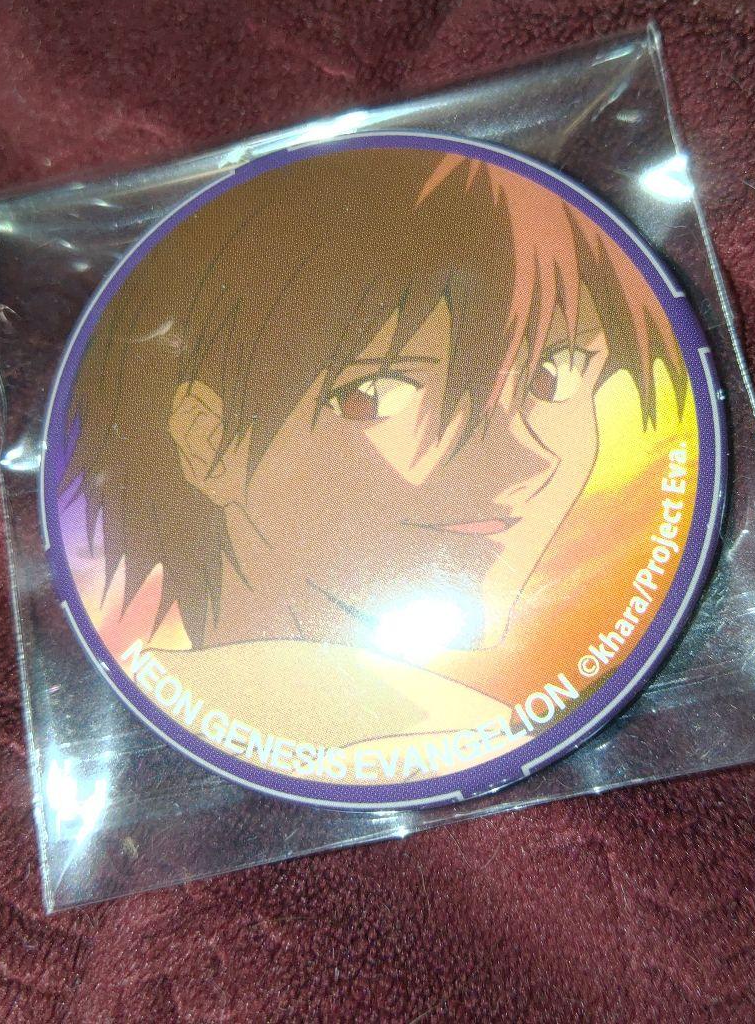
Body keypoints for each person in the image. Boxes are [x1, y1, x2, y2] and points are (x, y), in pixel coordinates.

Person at [61, 145, 689, 760]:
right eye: (379, 392)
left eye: (553, 376)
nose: (527, 458)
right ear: (206, 440)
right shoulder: (440, 733)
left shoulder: (453, 724)